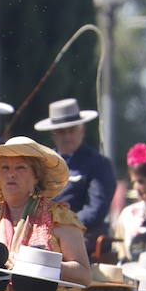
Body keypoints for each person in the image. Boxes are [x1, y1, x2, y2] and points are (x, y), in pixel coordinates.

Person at [0, 137, 90, 291]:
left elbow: (84, 276)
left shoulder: (58, 216)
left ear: (36, 177)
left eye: (20, 168)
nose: (11, 174)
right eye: (5, 168)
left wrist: (36, 263)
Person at [35, 98, 115, 256]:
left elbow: (96, 209)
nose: (67, 137)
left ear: (82, 130)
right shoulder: (43, 163)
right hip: (43, 230)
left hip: (83, 233)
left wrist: (63, 225)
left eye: (72, 130)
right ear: (53, 135)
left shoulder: (98, 164)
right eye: (61, 132)